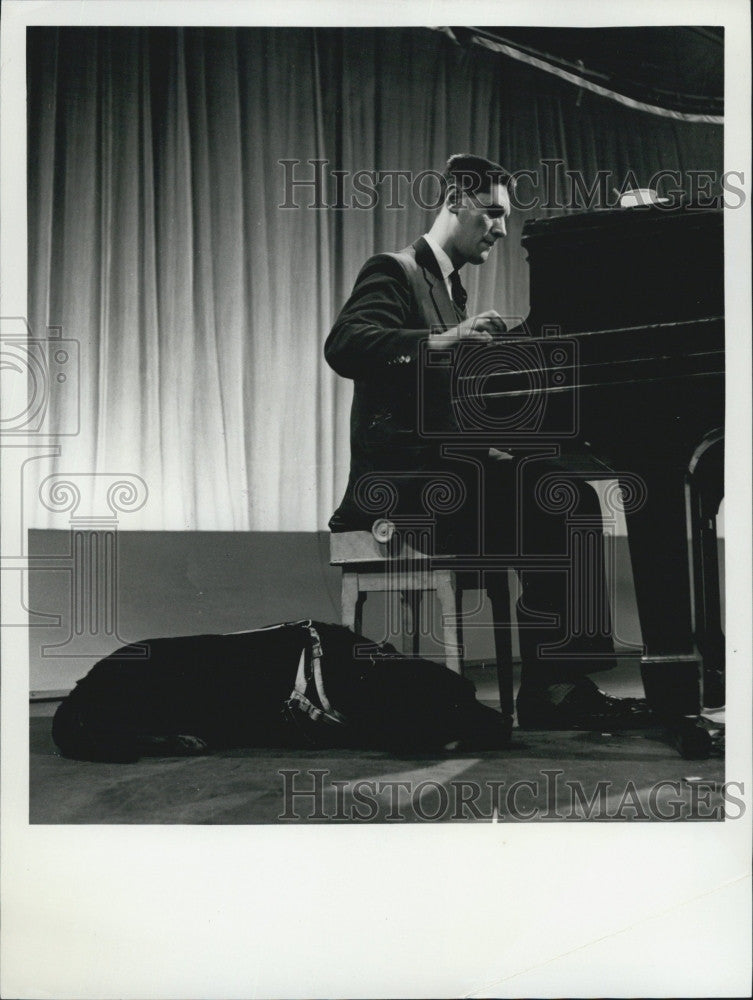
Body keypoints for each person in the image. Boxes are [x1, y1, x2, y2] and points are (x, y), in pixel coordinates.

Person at [325, 153, 651, 731]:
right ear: (455, 202)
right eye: (492, 214)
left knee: (560, 489)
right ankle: (553, 689)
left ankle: (558, 682)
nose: (501, 229)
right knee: (560, 497)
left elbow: (439, 406)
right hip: (395, 491)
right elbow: (346, 344)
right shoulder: (394, 270)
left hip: (437, 479)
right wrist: (446, 337)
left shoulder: (451, 292)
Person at [51, 620, 510, 762]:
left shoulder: (375, 679)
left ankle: (138, 735)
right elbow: (398, 733)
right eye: (459, 706)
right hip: (151, 672)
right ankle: (140, 736)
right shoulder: (375, 693)